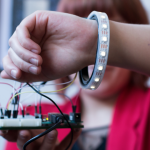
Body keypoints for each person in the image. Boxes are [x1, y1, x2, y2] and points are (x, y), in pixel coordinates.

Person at [0, 0, 150, 150]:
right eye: (78, 29)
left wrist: (95, 39)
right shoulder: (29, 122)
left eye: (107, 28)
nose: (95, 57)